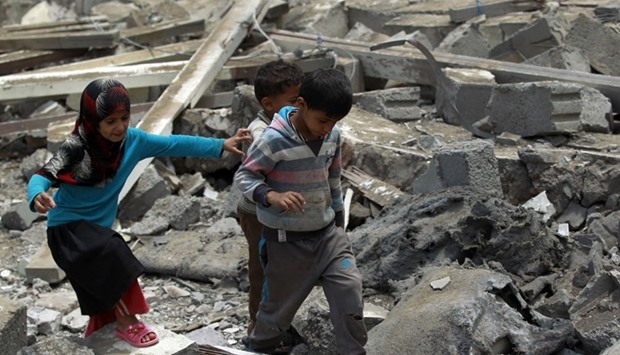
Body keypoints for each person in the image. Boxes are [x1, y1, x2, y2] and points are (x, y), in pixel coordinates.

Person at [27, 78, 251, 348]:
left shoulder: (133, 141)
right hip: (67, 231)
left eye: (124, 118)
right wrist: (37, 195)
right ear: (92, 120)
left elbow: (173, 144)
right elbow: (43, 176)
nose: (120, 127)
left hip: (97, 231)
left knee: (103, 293)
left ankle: (102, 335)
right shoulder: (75, 148)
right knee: (114, 252)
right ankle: (129, 322)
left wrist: (219, 145)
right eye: (110, 121)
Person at [234, 68, 368, 354]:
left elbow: (333, 177)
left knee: (349, 289)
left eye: (335, 121)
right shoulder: (273, 140)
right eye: (323, 120)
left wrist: (338, 219)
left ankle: (353, 351)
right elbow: (244, 177)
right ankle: (259, 346)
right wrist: (271, 195)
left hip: (327, 236)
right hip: (286, 241)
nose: (327, 128)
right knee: (276, 312)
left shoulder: (332, 136)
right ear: (301, 104)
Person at [236, 59, 304, 340]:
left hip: (281, 212)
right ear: (268, 104)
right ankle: (258, 326)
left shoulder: (289, 121)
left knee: (285, 269)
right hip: (257, 212)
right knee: (261, 271)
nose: (301, 106)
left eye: (303, 99)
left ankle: (282, 323)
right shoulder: (261, 131)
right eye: (293, 101)